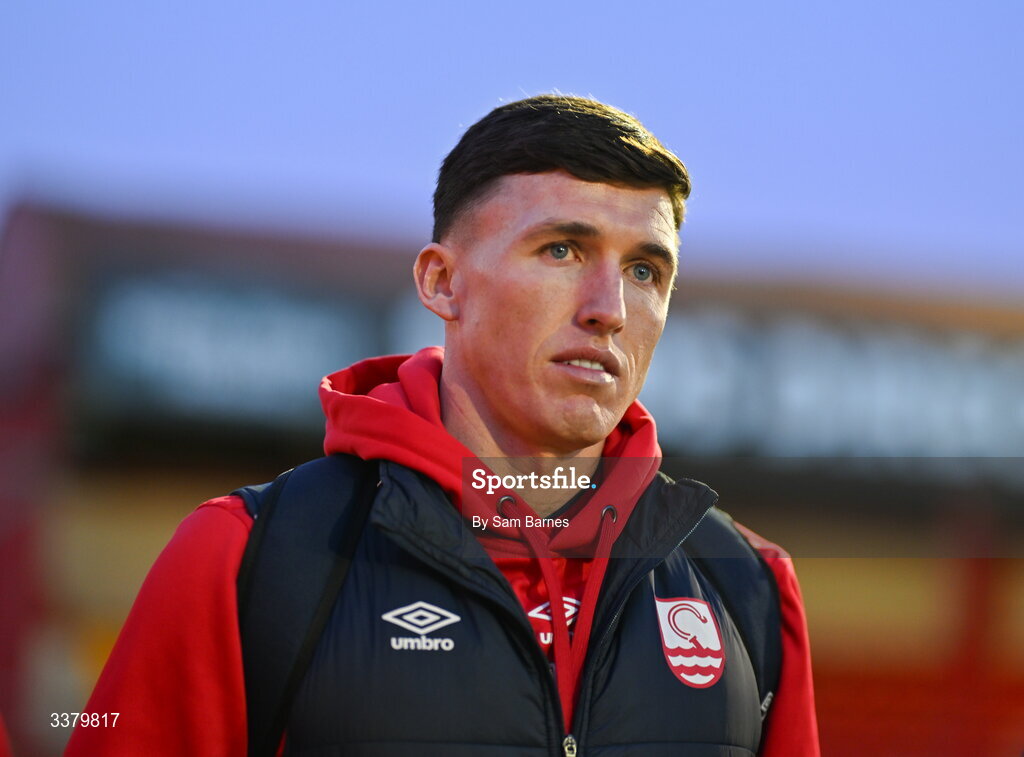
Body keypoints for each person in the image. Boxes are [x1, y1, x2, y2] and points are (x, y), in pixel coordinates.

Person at [66, 95, 819, 756]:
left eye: (646, 270)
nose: (609, 308)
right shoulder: (245, 558)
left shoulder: (747, 586)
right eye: (562, 249)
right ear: (441, 281)